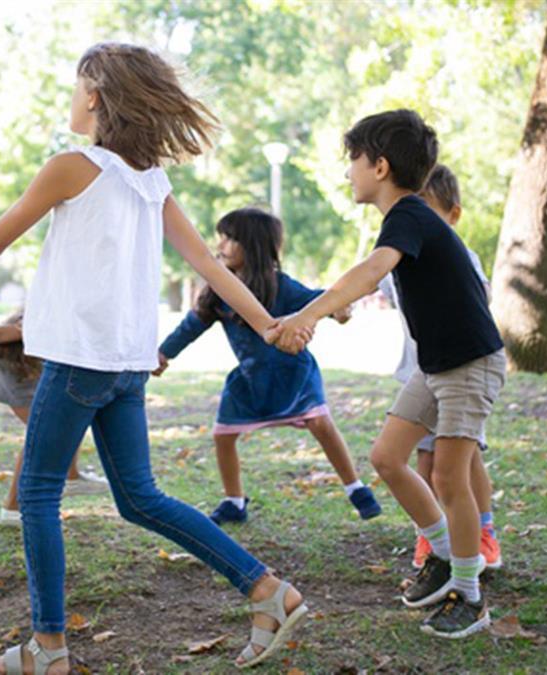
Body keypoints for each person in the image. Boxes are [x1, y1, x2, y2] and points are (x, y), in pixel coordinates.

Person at [0, 42, 311, 673]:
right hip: (125, 366)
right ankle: (267, 591)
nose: (70, 95)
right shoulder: (151, 181)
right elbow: (207, 266)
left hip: (82, 361)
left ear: (94, 94)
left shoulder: (73, 165)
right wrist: (268, 322)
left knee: (36, 495)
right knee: (138, 497)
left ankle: (48, 648)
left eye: (75, 84)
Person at [270, 109, 506, 639]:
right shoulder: (408, 221)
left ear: (379, 166)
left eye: (352, 160)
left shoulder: (410, 214)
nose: (348, 172)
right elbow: (379, 276)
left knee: (448, 476)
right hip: (436, 363)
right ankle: (445, 558)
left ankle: (469, 593)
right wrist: (333, 305)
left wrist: (307, 315)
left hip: (469, 363)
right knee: (386, 457)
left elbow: (374, 268)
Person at [154, 207, 381, 525]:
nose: (220, 246)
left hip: (295, 375)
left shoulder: (281, 286)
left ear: (253, 246)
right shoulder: (220, 291)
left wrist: (340, 308)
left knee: (322, 425)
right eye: (221, 238)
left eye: (229, 238)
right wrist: (164, 353)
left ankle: (355, 487)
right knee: (223, 435)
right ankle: (234, 501)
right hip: (250, 381)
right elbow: (192, 326)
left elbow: (320, 301)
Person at [377, 165, 502, 571]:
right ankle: (438, 540)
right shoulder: (396, 243)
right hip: (422, 368)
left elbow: (476, 308)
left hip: (462, 366)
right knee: (413, 462)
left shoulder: (457, 253)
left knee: (456, 468)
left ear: (452, 215)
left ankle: (475, 549)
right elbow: (373, 280)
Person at [0, 308, 110, 527]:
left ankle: (71, 476)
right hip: (14, 367)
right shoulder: (55, 303)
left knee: (70, 420)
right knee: (43, 433)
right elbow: (5, 333)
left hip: (40, 364)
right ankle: (12, 509)